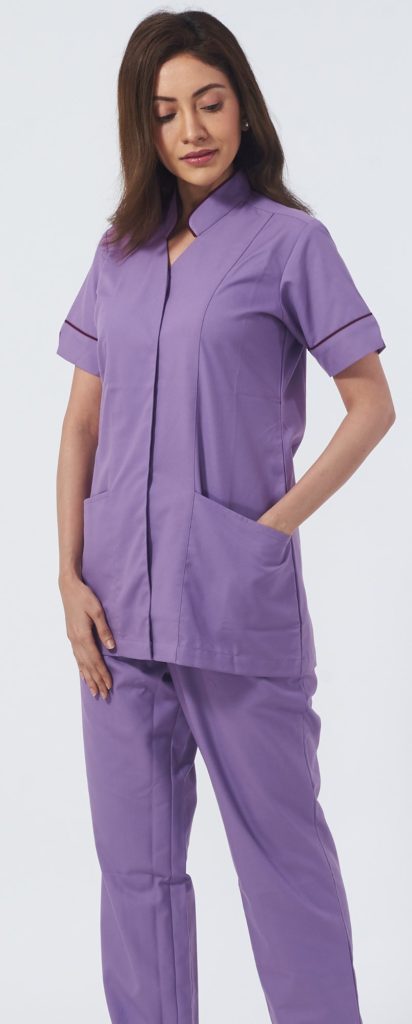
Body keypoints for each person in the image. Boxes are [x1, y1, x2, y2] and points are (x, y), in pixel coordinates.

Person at [56, 10, 395, 1024]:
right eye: (166, 112)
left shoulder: (290, 243)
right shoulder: (119, 254)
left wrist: (271, 528)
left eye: (209, 102)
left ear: (242, 106)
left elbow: (371, 403)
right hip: (116, 610)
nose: (191, 129)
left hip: (234, 602)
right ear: (144, 126)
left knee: (283, 866)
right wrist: (66, 577)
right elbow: (81, 424)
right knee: (136, 877)